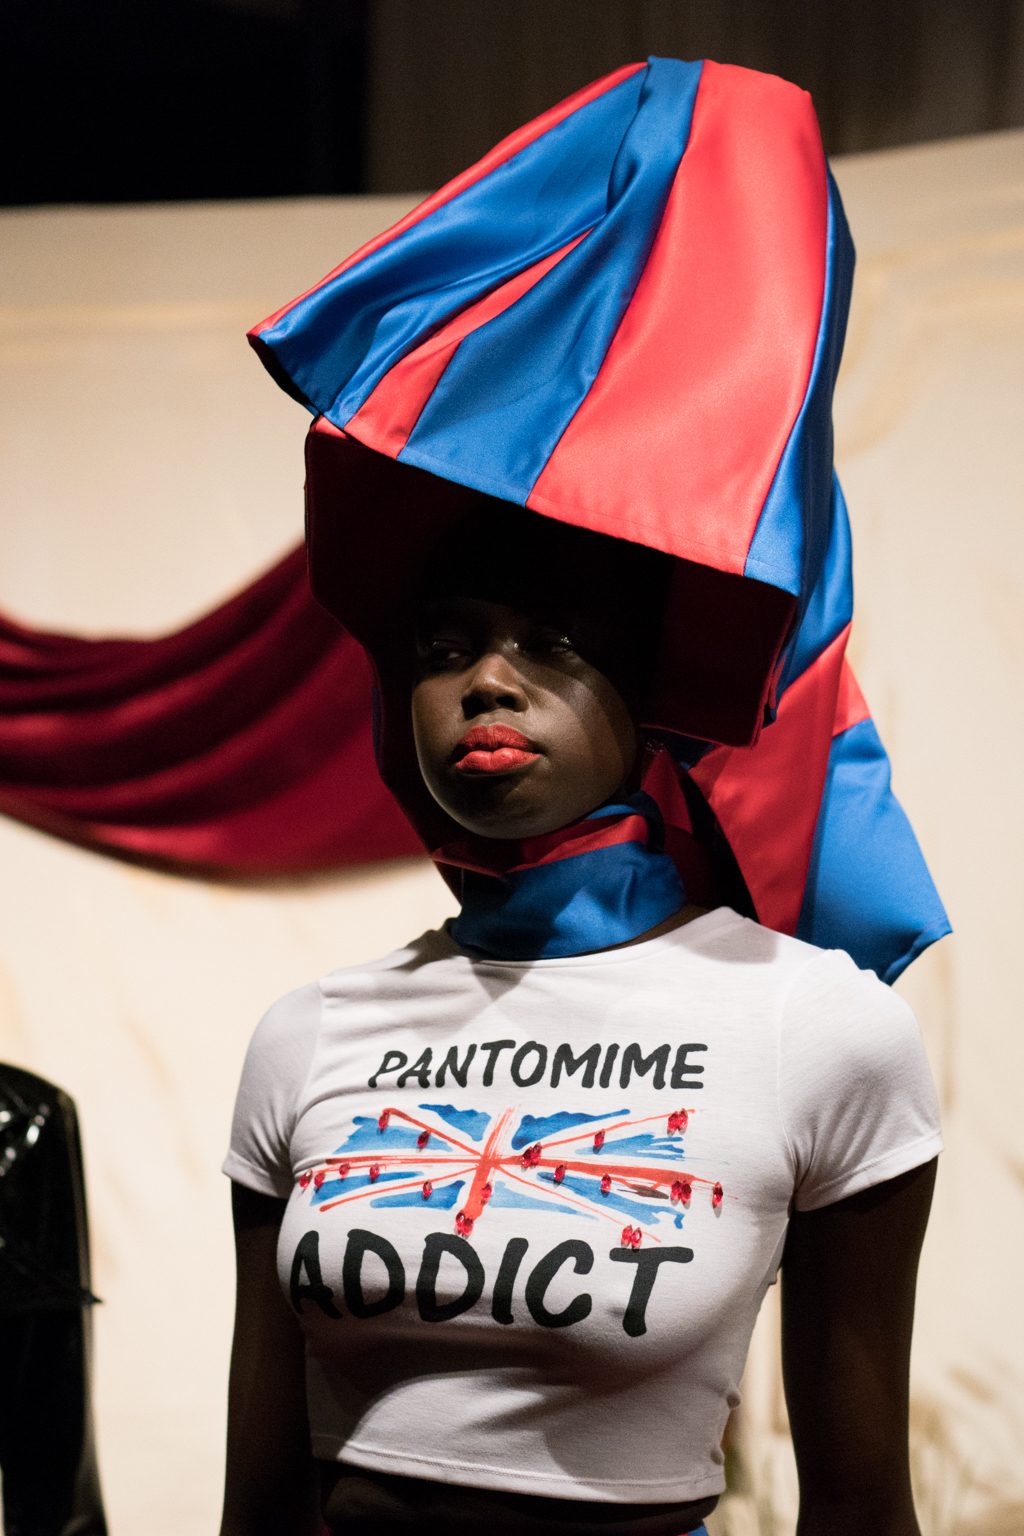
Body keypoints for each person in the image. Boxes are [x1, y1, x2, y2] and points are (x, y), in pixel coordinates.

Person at [221, 57, 946, 1536]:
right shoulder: (307, 1035)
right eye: (444, 652)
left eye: (550, 647)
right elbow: (260, 1494)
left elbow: (863, 1501)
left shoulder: (817, 1030)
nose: (487, 683)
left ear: (647, 700)